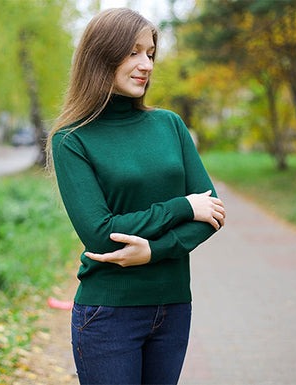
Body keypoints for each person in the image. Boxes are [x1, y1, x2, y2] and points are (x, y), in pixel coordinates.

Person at [47, 8, 226, 385]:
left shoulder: (169, 125)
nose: (145, 64)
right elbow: (101, 233)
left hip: (174, 306)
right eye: (132, 52)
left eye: (150, 53)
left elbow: (211, 213)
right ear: (101, 56)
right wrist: (182, 207)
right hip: (109, 314)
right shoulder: (72, 139)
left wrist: (153, 251)